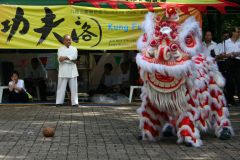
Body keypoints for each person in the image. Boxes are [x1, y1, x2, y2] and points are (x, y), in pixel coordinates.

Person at [56, 34, 79, 107]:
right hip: (63, 69)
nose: (69, 41)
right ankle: (59, 102)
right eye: (67, 40)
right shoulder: (60, 49)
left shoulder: (74, 49)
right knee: (61, 87)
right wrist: (69, 58)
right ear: (63, 41)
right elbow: (60, 59)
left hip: (72, 69)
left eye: (69, 40)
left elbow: (75, 59)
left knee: (74, 87)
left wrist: (65, 57)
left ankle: (75, 102)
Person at [224, 27, 240, 105]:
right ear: (233, 33)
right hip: (229, 62)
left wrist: (236, 53)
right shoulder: (226, 42)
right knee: (229, 81)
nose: (239, 33)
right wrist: (229, 55)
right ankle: (230, 100)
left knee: (239, 81)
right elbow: (223, 54)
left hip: (238, 62)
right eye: (237, 32)